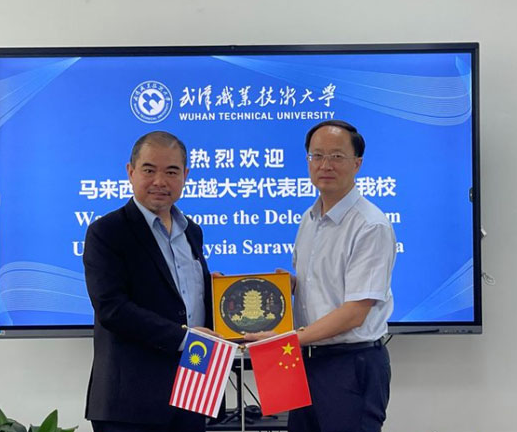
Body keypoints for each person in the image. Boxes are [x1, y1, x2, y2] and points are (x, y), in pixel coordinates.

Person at [246, 120, 395, 432]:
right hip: (303, 362)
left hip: (349, 365)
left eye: (337, 156)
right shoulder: (309, 219)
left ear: (357, 164)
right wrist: (285, 286)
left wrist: (288, 340)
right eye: (317, 156)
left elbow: (355, 312)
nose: (325, 165)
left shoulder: (370, 225)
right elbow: (323, 287)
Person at [83, 131, 219, 432]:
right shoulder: (107, 232)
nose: (160, 181)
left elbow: (187, 301)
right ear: (130, 172)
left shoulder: (191, 232)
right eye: (149, 170)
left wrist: (228, 298)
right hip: (131, 404)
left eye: (171, 172)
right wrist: (184, 338)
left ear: (185, 176)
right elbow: (112, 309)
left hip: (193, 391)